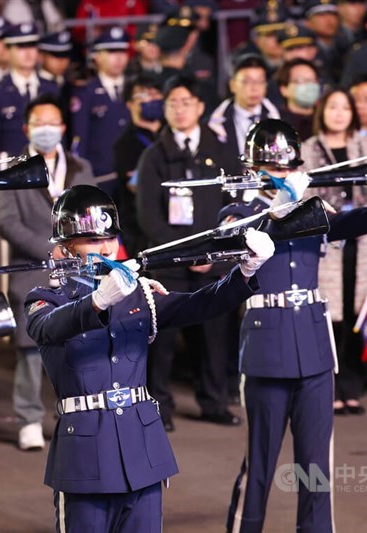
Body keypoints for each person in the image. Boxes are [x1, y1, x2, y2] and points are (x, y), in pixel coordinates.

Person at [25, 184, 274, 533]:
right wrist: (97, 301)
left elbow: (198, 304)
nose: (107, 248)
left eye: (110, 238)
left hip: (141, 451)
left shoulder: (137, 291)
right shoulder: (46, 298)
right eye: (93, 240)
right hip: (85, 457)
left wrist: (244, 273)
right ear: (65, 247)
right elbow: (48, 329)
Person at [225, 118, 367, 533]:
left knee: (315, 467)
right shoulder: (239, 210)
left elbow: (359, 221)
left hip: (314, 345)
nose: (281, 176)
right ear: (251, 169)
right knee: (260, 462)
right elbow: (241, 238)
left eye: (286, 168)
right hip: (266, 346)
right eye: (271, 169)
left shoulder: (314, 208)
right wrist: (284, 206)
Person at [136, 75, 241, 431]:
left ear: (200, 107)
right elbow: (147, 213)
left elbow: (234, 207)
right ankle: (158, 406)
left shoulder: (222, 151)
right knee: (161, 341)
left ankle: (214, 401)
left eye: (186, 102)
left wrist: (213, 252)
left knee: (215, 337)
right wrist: (185, 253)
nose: (179, 110)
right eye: (172, 103)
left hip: (213, 260)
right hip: (171, 263)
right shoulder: (154, 155)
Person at [0, 94, 95, 450]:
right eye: (39, 123)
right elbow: (7, 222)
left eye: (53, 123)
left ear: (64, 128)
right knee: (30, 350)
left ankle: (71, 417)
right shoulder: (13, 169)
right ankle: (28, 419)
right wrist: (48, 248)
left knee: (78, 346)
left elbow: (92, 212)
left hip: (78, 272)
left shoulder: (81, 168)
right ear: (26, 128)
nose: (47, 130)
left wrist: (74, 248)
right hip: (33, 269)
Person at [299, 88, 367, 415]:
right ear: (322, 111)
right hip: (327, 243)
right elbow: (304, 198)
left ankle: (352, 387)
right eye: (333, 107)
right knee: (329, 317)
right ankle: (328, 387)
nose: (339, 113)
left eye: (345, 108)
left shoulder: (365, 146)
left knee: (358, 313)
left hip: (363, 241)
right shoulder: (309, 149)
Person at [0, 23, 59, 158]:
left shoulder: (51, 88)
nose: (28, 53)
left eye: (32, 45)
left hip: (49, 166)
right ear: (8, 51)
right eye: (21, 47)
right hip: (13, 168)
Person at [70, 27, 131, 193]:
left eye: (122, 51)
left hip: (133, 172)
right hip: (101, 175)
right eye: (111, 51)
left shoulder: (136, 89)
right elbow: (80, 139)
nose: (118, 57)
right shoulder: (85, 94)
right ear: (97, 56)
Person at [113, 73, 163, 258]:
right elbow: (136, 187)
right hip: (140, 232)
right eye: (142, 95)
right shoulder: (124, 145)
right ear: (129, 104)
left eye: (155, 93)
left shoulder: (172, 135)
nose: (150, 99)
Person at [208, 54, 281, 173]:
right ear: (232, 85)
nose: (254, 88)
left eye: (260, 81)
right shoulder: (214, 125)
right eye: (247, 82)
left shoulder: (280, 120)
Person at [276, 58, 321, 142]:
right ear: (284, 89)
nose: (309, 85)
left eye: (313, 80)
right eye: (300, 81)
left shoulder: (325, 118)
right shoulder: (276, 120)